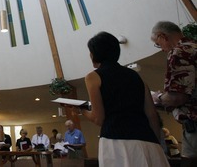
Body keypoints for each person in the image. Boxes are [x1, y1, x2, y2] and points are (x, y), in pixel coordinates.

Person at [82, 31, 169, 167]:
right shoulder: (136, 77)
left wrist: (80, 111)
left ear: (94, 53)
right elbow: (152, 115)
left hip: (116, 142)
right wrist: (156, 143)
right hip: (148, 141)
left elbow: (99, 118)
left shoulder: (93, 77)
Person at [151, 21, 197, 166]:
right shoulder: (194, 47)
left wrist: (158, 97)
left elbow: (177, 97)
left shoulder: (179, 52)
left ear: (162, 36)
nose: (162, 49)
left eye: (158, 44)